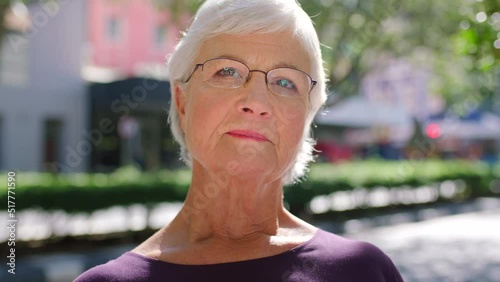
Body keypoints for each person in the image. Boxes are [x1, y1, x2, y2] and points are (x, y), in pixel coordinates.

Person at [75, 0, 404, 281]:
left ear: (306, 117)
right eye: (227, 72)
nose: (257, 102)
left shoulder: (364, 271)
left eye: (286, 82)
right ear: (182, 101)